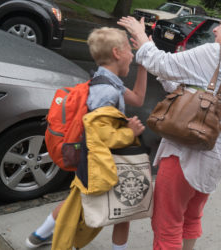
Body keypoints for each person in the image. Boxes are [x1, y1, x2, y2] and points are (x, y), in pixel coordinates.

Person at [118, 8, 221, 250]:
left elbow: (161, 64)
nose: (215, 29)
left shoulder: (216, 53)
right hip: (213, 158)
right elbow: (184, 89)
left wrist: (140, 36)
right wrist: (148, 46)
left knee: (167, 223)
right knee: (191, 218)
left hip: (186, 155)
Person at [25, 26, 147, 250]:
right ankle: (43, 238)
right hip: (101, 163)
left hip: (92, 163)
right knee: (123, 210)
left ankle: (37, 237)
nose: (132, 55)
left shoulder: (104, 81)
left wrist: (143, 63)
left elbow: (138, 99)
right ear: (117, 53)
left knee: (76, 202)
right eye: (129, 50)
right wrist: (130, 132)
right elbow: (98, 135)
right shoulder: (107, 93)